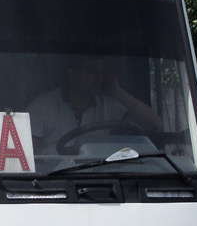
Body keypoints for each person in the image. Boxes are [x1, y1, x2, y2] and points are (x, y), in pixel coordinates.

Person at [26, 57, 163, 154]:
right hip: (52, 183)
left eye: (101, 71)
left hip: (98, 181)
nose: (99, 77)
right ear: (72, 74)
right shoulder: (45, 106)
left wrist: (119, 93)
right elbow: (23, 155)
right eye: (91, 71)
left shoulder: (108, 105)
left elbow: (154, 124)